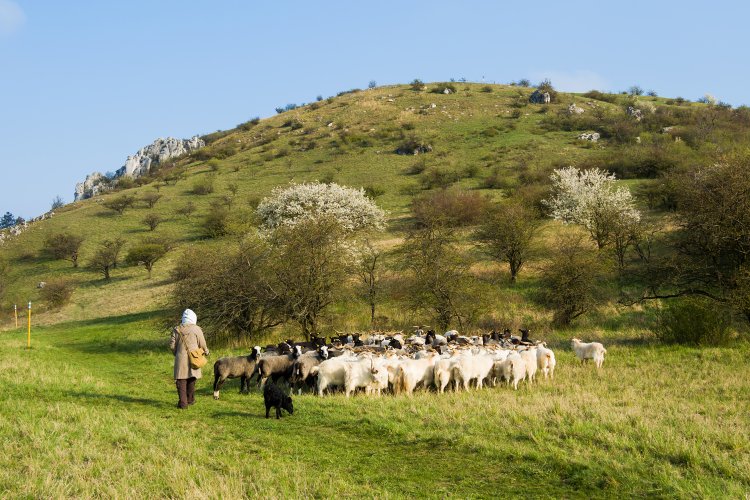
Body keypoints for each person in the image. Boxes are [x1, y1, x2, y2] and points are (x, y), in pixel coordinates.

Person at [169, 309, 209, 409]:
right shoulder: (197, 329)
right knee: (192, 378)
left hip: (180, 358)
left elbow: (172, 345)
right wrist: (206, 351)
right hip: (194, 357)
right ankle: (190, 400)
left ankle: (183, 403)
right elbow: (202, 344)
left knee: (181, 380)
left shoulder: (176, 329)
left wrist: (176, 353)